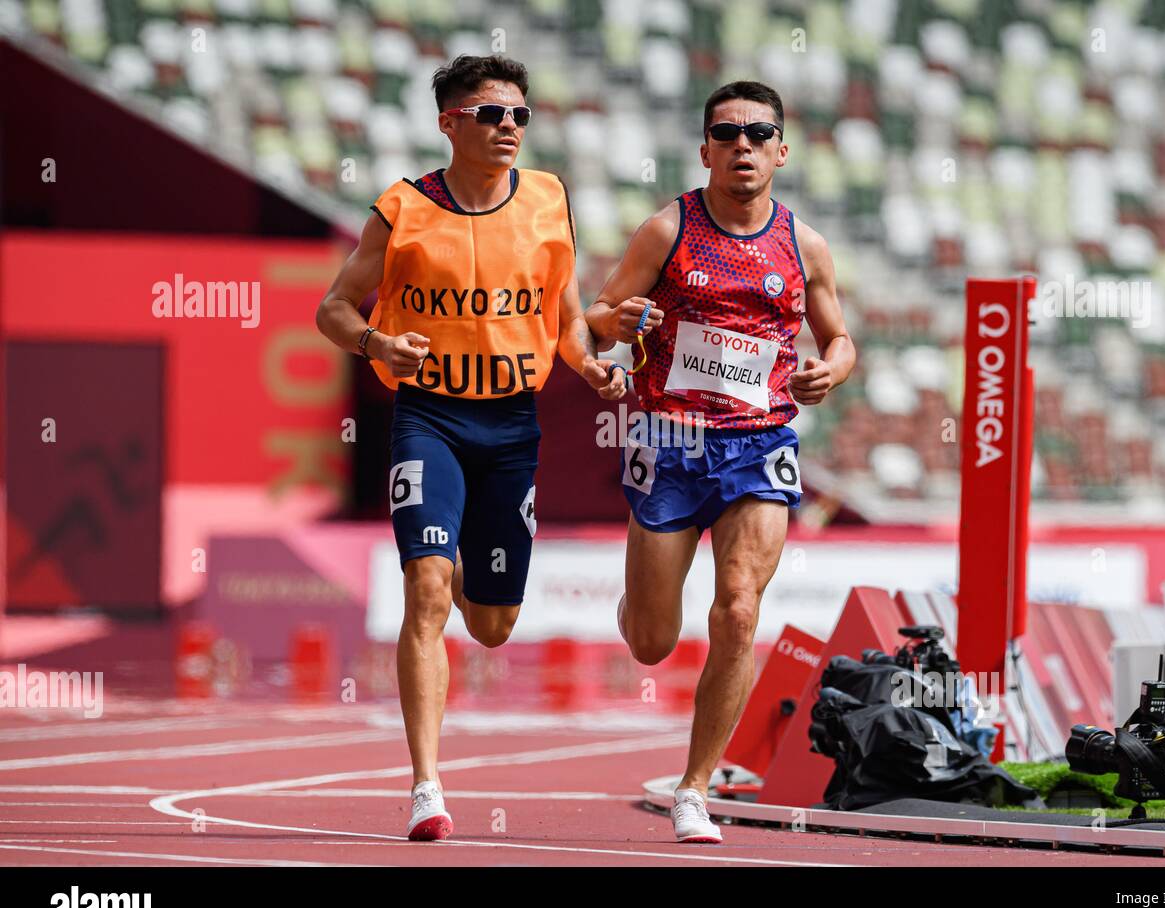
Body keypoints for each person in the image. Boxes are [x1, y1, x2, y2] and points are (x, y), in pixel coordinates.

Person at [315, 54, 624, 840]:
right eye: (493, 114)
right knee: (426, 588)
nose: (511, 127)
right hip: (429, 418)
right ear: (450, 122)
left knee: (491, 624)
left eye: (521, 114)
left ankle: (455, 559)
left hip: (512, 426)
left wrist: (590, 365)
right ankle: (427, 786)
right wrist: (379, 342)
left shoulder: (550, 199)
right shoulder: (403, 209)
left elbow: (565, 316)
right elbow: (334, 309)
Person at [585, 80, 855, 843]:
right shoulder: (665, 229)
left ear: (781, 149)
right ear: (705, 149)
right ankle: (637, 604)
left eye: (758, 133)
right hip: (669, 443)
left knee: (739, 606)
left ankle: (694, 788)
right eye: (727, 133)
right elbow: (599, 318)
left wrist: (829, 370)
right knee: (651, 641)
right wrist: (619, 317)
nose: (743, 145)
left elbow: (840, 338)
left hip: (760, 440)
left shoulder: (805, 245)